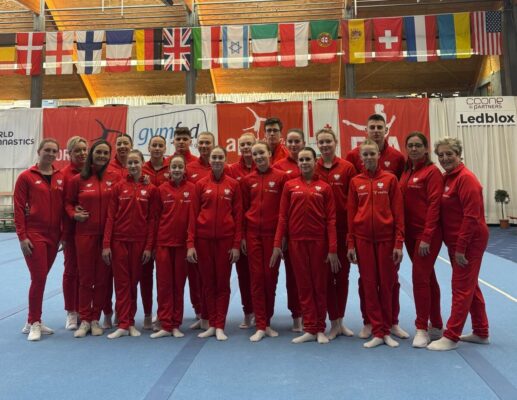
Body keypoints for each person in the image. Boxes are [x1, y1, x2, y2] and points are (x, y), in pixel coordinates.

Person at [345, 114, 408, 340]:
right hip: (363, 237)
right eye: (371, 127)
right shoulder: (355, 177)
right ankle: (370, 322)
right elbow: (352, 211)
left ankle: (391, 322)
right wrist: (350, 242)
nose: (376, 130)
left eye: (379, 127)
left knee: (390, 281)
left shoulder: (394, 170)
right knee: (367, 282)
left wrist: (398, 240)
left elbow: (398, 209)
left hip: (386, 237)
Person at [272, 147, 339, 344]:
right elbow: (283, 217)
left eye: (307, 159)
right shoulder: (290, 186)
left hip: (319, 242)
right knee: (304, 285)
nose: (304, 163)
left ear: (315, 161)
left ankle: (320, 328)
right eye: (301, 160)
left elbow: (331, 220)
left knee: (319, 285)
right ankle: (310, 327)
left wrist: (332, 248)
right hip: (296, 242)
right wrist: (277, 243)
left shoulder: (325, 187)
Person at [428, 138, 489, 351]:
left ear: (458, 154)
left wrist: (461, 248)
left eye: (449, 154)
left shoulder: (466, 179)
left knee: (461, 288)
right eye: (441, 155)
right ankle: (481, 331)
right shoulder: (447, 178)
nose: (445, 158)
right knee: (470, 286)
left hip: (469, 241)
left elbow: (471, 217)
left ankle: (451, 336)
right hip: (456, 241)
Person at [66, 140, 121, 338]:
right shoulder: (78, 179)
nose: (102, 156)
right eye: (99, 152)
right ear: (92, 153)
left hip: (108, 236)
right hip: (84, 235)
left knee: (102, 279)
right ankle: (85, 319)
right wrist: (74, 214)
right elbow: (68, 203)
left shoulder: (116, 177)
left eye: (106, 153)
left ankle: (95, 318)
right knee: (85, 278)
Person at [102, 150, 158, 339]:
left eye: (136, 162)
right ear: (126, 165)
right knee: (122, 283)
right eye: (130, 163)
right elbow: (110, 217)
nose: (133, 165)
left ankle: (130, 322)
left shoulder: (151, 189)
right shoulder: (118, 187)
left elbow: (152, 220)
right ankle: (123, 324)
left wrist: (149, 246)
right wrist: (106, 244)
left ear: (142, 163)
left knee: (133, 283)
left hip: (140, 243)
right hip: (119, 241)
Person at [189, 146, 243, 341]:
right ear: (210, 160)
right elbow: (192, 215)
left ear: (225, 160)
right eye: (214, 157)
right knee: (208, 283)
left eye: (221, 157)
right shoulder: (200, 185)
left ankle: (220, 325)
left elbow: (238, 216)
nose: (217, 160)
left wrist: (236, 245)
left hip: (225, 241)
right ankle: (211, 323)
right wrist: (190, 244)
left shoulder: (233, 185)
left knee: (222, 283)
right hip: (203, 240)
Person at [14, 139, 64, 341]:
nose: (50, 154)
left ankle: (30, 321)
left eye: (54, 151)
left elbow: (65, 206)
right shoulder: (26, 177)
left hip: (55, 235)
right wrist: (22, 236)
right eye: (47, 150)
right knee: (39, 278)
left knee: (41, 277)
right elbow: (19, 208)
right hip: (34, 234)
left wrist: (63, 234)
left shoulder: (61, 177)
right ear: (39, 151)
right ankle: (35, 321)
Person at [399, 132, 443, 348]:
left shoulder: (432, 172)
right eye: (410, 145)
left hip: (427, 235)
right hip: (409, 234)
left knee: (419, 278)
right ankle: (437, 324)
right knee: (428, 278)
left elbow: (435, 205)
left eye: (418, 145)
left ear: (426, 149)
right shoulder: (407, 171)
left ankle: (421, 328)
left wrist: (427, 235)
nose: (414, 149)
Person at [241, 141, 288, 342]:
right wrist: (243, 236)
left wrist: (281, 237)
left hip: (272, 235)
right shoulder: (247, 180)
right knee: (257, 279)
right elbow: (243, 210)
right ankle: (261, 324)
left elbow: (284, 212)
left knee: (270, 278)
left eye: (262, 152)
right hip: (253, 235)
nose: (259, 157)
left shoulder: (281, 178)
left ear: (269, 153)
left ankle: (267, 321)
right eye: (255, 154)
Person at [315, 128, 356, 340]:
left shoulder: (348, 168)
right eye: (321, 142)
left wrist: (351, 236)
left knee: (342, 277)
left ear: (335, 142)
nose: (325, 145)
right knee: (326, 278)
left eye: (328, 141)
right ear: (317, 144)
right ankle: (332, 321)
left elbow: (354, 202)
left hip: (342, 231)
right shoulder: (313, 167)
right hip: (320, 234)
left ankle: (340, 320)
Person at [151, 155, 196, 339]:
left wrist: (190, 243)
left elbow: (193, 219)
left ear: (185, 169)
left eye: (180, 167)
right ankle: (165, 323)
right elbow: (154, 219)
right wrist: (153, 245)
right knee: (164, 285)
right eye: (174, 167)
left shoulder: (192, 189)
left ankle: (176, 324)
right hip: (163, 244)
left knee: (178, 286)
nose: (177, 170)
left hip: (182, 245)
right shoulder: (160, 190)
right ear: (169, 170)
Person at [272, 128, 305, 332]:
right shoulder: (278, 167)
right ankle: (297, 315)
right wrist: (281, 234)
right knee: (292, 276)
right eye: (290, 141)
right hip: (289, 232)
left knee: (307, 276)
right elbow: (278, 205)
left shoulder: (311, 163)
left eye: (297, 141)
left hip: (310, 231)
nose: (293, 145)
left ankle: (309, 314)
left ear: (303, 142)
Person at [185, 131, 216, 330]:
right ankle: (200, 311)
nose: (204, 146)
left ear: (213, 144)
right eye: (201, 143)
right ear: (197, 145)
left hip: (214, 232)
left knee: (211, 277)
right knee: (195, 276)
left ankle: (211, 313)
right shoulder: (189, 168)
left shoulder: (220, 166)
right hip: (192, 229)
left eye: (208, 143)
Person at [103, 133, 133, 328]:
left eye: (125, 143)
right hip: (108, 228)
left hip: (131, 233)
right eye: (119, 143)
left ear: (131, 146)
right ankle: (107, 312)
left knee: (127, 279)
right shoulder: (107, 168)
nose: (122, 146)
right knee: (106, 277)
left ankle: (123, 313)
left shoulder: (138, 168)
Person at [141, 135, 170, 330]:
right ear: (149, 148)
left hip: (166, 229)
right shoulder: (141, 169)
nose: (157, 148)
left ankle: (162, 314)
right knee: (145, 275)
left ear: (165, 148)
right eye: (154, 145)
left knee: (163, 277)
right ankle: (147, 313)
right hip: (145, 228)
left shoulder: (172, 168)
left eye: (160, 145)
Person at [228, 133, 256, 329]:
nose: (246, 147)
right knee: (244, 274)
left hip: (259, 230)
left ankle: (262, 312)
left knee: (260, 275)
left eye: (249, 144)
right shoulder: (232, 170)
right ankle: (248, 312)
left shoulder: (262, 165)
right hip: (239, 229)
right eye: (243, 144)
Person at [61, 136, 88, 330]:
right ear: (69, 153)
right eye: (77, 150)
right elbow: (62, 203)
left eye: (84, 149)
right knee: (71, 271)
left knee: (86, 272)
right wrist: (72, 214)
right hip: (71, 230)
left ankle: (84, 309)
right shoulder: (64, 174)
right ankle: (71, 310)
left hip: (90, 230)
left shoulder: (92, 171)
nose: (82, 153)